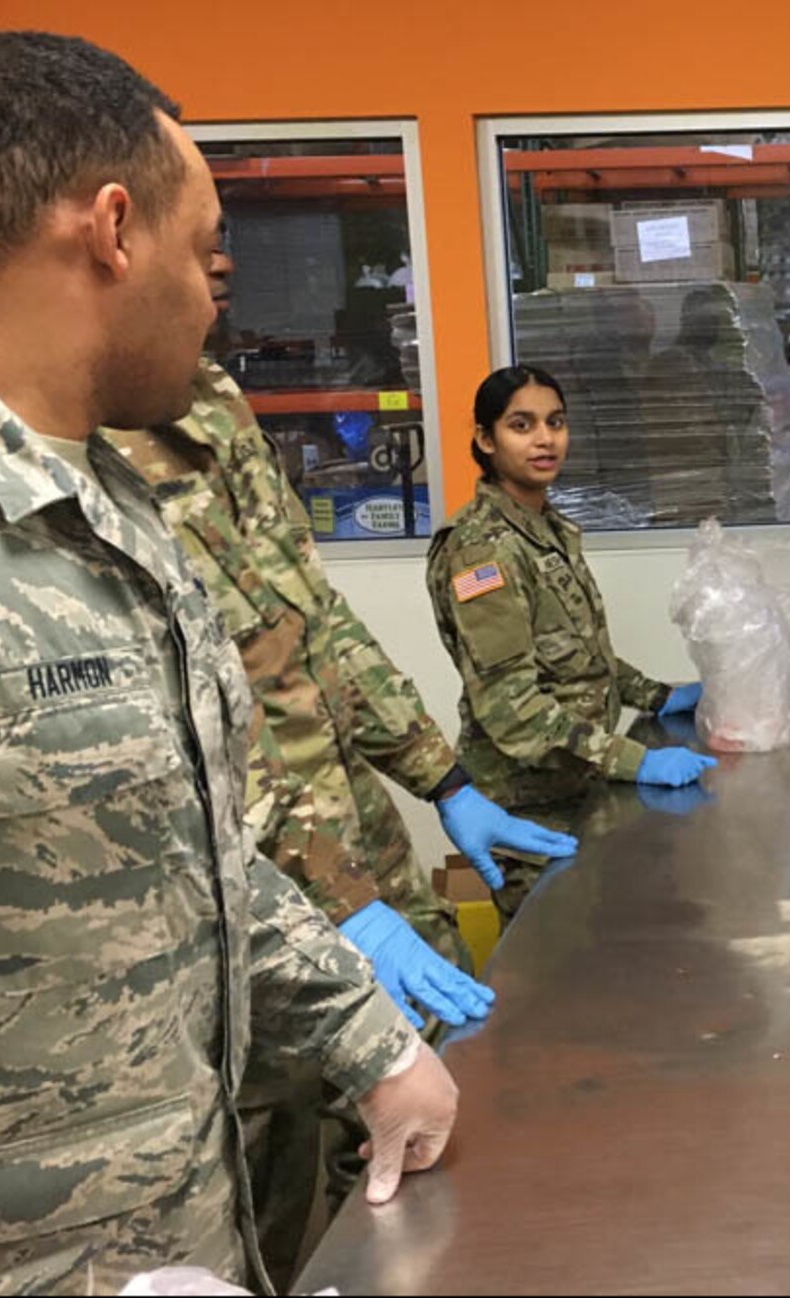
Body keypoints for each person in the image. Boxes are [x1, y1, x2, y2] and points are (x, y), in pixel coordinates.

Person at [0, 31, 457, 1292]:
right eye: (203, 256)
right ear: (113, 231)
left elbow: (180, 851)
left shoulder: (109, 501)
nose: (211, 297)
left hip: (178, 1238)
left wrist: (370, 1039)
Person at [99, 263, 578, 1281]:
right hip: (260, 883)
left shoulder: (212, 401)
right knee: (292, 1162)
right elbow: (188, 712)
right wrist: (336, 896)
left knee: (426, 1122)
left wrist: (441, 779)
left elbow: (315, 620)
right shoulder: (79, 432)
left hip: (352, 832)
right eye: (202, 247)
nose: (224, 276)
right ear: (112, 234)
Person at [428, 365, 713, 917]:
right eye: (521, 425)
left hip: (578, 787)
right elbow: (513, 711)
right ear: (486, 440)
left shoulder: (547, 528)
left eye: (555, 422)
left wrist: (657, 696)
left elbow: (579, 653)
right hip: (528, 810)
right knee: (553, 977)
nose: (544, 439)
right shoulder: (483, 551)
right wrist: (634, 760)